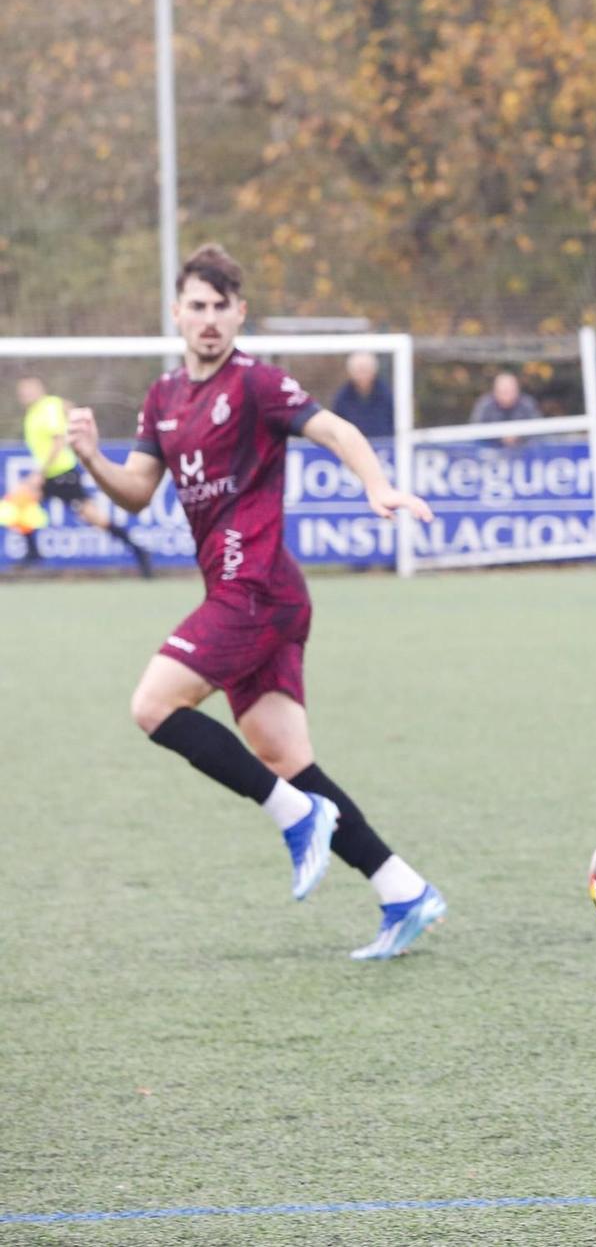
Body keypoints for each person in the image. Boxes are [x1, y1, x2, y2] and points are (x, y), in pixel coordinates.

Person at [65, 244, 447, 959]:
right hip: (249, 593)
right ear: (177, 314)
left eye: (222, 307)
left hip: (258, 586)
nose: (209, 320)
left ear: (240, 313)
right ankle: (402, 888)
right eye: (197, 307)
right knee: (283, 754)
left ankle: (296, 818)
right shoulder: (163, 397)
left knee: (152, 705)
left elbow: (334, 429)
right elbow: (139, 490)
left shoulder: (257, 384)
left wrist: (377, 483)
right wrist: (92, 457)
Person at [14, 375, 153, 576]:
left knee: (94, 516)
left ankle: (139, 550)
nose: (26, 394)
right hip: (50, 476)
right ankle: (33, 553)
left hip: (62, 473)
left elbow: (58, 441)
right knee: (19, 504)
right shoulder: (39, 410)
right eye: (23, 391)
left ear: (40, 389)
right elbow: (67, 406)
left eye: (30, 389)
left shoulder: (46, 408)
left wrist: (39, 474)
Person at [331, 351, 395, 439]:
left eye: (365, 370)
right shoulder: (342, 398)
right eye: (359, 371)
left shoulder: (387, 395)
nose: (362, 376)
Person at [470, 371, 542, 446]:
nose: (508, 395)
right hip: (491, 451)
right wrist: (499, 437)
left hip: (524, 450)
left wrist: (519, 436)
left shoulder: (527, 404)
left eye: (511, 390)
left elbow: (539, 430)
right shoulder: (485, 405)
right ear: (495, 391)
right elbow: (476, 430)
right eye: (504, 391)